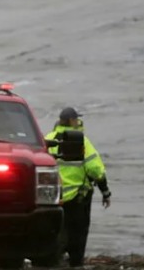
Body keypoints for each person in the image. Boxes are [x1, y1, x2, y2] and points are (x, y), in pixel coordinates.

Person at [44, 107, 111, 268]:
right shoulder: (82, 141)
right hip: (78, 199)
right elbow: (95, 169)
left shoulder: (48, 139)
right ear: (72, 121)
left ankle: (51, 262)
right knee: (78, 235)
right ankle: (76, 263)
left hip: (53, 198)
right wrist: (105, 191)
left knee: (54, 233)